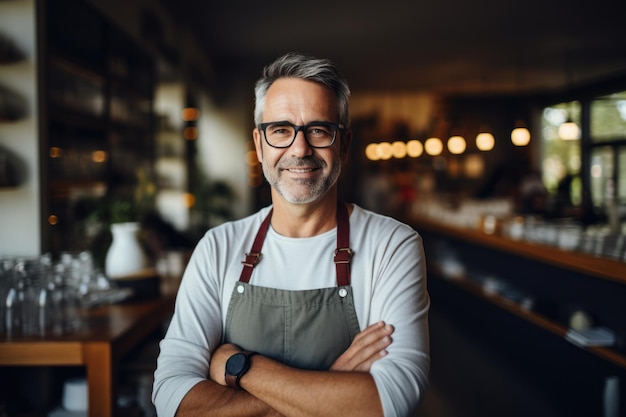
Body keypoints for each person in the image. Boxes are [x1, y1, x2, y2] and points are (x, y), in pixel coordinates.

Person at [152, 52, 430, 417]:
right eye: (281, 130)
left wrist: (240, 367)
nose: (300, 149)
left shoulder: (392, 245)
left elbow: (387, 403)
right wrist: (330, 386)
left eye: (318, 130)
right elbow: (173, 400)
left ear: (343, 145)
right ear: (259, 143)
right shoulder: (218, 247)